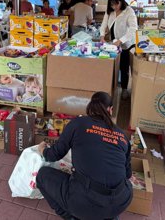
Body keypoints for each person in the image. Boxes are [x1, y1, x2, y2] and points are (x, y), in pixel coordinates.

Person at [36, 91, 132, 220]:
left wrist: (42, 149)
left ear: (90, 106)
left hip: (83, 203)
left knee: (42, 176)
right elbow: (127, 174)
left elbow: (53, 155)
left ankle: (71, 217)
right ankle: (109, 215)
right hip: (121, 201)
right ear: (110, 110)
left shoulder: (78, 123)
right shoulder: (122, 135)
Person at [100, 0, 138, 100]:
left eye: (116, 4)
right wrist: (102, 35)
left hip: (126, 44)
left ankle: (125, 88)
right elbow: (103, 24)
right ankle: (113, 86)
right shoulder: (110, 12)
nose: (114, 7)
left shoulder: (129, 11)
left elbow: (133, 28)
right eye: (112, 5)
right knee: (113, 64)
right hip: (114, 42)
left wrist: (121, 40)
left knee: (124, 66)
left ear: (121, 1)